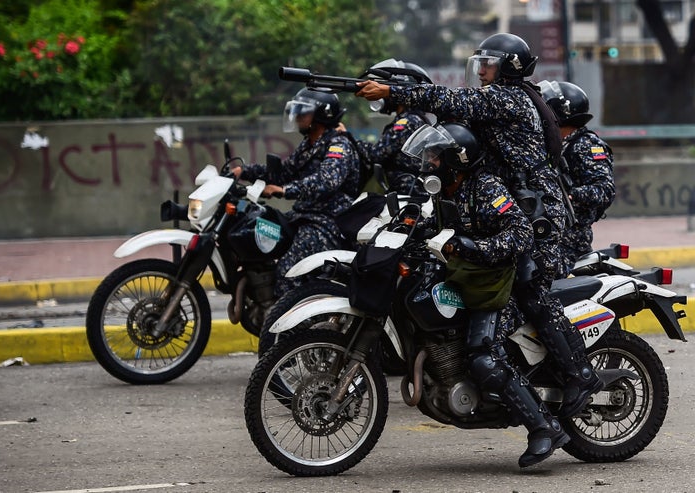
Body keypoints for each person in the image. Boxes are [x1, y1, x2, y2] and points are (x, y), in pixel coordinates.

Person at [355, 33, 602, 418]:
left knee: (529, 287)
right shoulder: (498, 100)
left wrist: (392, 89)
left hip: (538, 216)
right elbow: (453, 119)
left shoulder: (510, 96)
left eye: (489, 63)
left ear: (509, 67)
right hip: (511, 205)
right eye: (481, 63)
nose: (482, 70)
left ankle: (580, 374)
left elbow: (452, 98)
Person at [402, 122, 569, 467]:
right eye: (429, 157)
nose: (429, 163)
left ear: (457, 159)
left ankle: (544, 427)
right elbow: (440, 229)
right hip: (469, 279)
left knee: (483, 357)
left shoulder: (486, 187)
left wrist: (473, 246)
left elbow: (520, 235)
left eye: (435, 157)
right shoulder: (447, 190)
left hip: (499, 282)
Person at [231, 88, 360, 297]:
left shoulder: (338, 144)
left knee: (288, 272)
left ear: (321, 115)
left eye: (303, 112)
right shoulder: (309, 144)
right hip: (304, 215)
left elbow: (327, 180)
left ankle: (294, 327)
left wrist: (284, 191)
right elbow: (283, 172)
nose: (298, 116)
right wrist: (245, 171)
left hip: (329, 221)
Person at [537, 80, 615, 273]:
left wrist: (571, 196)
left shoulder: (586, 145)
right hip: (547, 235)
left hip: (569, 242)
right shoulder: (551, 146)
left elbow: (605, 190)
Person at [340, 59, 432, 195]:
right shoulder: (413, 119)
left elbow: (376, 154)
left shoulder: (408, 121)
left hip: (410, 195)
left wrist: (346, 136)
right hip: (406, 193)